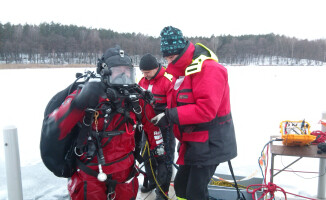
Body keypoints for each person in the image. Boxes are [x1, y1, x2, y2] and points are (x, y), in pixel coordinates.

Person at [41, 46, 144, 200]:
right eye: (118, 71)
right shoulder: (89, 94)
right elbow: (55, 127)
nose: (124, 75)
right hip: (91, 176)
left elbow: (150, 125)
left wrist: (159, 157)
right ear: (105, 72)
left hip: (126, 175)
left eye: (127, 70)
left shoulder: (134, 97)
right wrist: (78, 103)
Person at [151, 26, 238, 200]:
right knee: (182, 188)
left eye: (172, 56)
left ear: (183, 51)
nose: (169, 61)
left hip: (211, 143)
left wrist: (170, 116)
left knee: (195, 193)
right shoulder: (181, 72)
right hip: (192, 144)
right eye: (166, 57)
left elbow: (206, 110)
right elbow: (178, 101)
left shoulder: (209, 69)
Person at [138, 53, 175, 200]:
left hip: (164, 126)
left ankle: (162, 191)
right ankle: (151, 182)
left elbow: (174, 105)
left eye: (147, 72)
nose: (145, 75)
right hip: (147, 125)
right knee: (146, 155)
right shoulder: (142, 81)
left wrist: (163, 114)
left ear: (155, 68)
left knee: (164, 158)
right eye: (143, 73)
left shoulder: (168, 80)